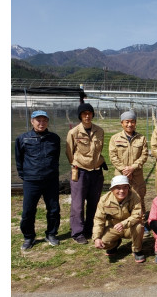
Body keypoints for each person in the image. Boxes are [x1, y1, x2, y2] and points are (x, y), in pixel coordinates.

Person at [15, 110, 61, 250]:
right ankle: (29, 237)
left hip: (50, 180)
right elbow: (19, 159)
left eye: (44, 120)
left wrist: (51, 172)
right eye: (38, 120)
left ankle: (51, 234)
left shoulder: (54, 138)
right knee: (28, 211)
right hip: (31, 180)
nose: (41, 123)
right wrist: (26, 175)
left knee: (53, 209)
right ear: (32, 121)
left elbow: (56, 157)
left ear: (47, 122)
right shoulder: (23, 138)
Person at [66, 102, 106, 244]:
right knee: (77, 204)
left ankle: (91, 229)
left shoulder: (99, 131)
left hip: (96, 172)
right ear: (80, 116)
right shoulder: (74, 132)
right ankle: (78, 232)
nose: (87, 116)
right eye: (84, 114)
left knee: (94, 203)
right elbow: (69, 153)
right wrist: (78, 164)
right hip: (80, 171)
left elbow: (99, 150)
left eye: (89, 113)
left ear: (93, 115)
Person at [92, 175, 145, 263]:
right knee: (103, 242)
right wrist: (96, 238)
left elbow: (137, 215)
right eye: (118, 188)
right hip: (113, 227)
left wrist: (123, 224)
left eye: (125, 187)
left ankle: (137, 250)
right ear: (112, 189)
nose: (122, 191)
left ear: (128, 187)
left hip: (129, 227)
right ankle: (114, 245)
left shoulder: (135, 196)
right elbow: (99, 219)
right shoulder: (104, 200)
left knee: (139, 226)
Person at [109, 110, 149, 213]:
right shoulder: (115, 138)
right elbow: (113, 156)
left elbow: (144, 155)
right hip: (120, 174)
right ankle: (121, 218)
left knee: (138, 196)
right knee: (120, 196)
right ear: (122, 123)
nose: (130, 124)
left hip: (136, 174)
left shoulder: (141, 138)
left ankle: (141, 220)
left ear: (135, 123)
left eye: (132, 122)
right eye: (127, 122)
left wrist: (132, 168)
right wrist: (124, 170)